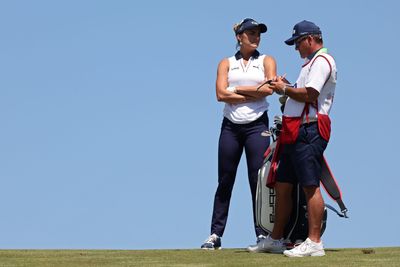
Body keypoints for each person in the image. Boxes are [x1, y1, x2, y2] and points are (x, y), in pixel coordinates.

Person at [248, 20, 337, 257]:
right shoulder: (310, 63)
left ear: (310, 39)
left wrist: (284, 89)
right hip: (295, 130)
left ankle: (315, 242)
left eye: (297, 42)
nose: (296, 48)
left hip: (310, 129)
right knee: (283, 184)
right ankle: (276, 239)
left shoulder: (322, 61)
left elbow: (310, 94)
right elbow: (299, 92)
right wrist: (284, 86)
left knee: (310, 185)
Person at [201, 18, 276, 250]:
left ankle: (262, 234)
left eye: (258, 34)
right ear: (239, 37)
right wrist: (255, 92)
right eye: (251, 33)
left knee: (258, 181)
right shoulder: (225, 63)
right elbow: (220, 94)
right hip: (230, 127)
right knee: (225, 180)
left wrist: (239, 90)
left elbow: (270, 89)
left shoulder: (267, 60)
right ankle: (215, 234)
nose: (256, 37)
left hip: (257, 126)